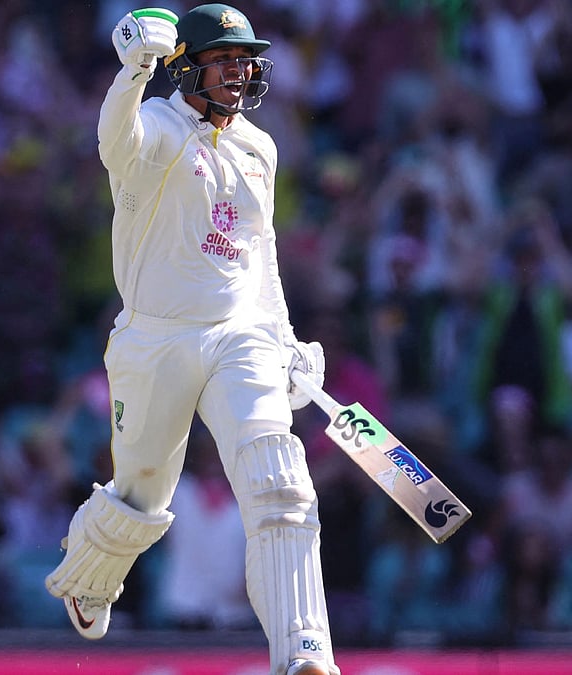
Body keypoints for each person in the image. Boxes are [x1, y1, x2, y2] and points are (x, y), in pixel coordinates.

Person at [43, 6, 336, 674]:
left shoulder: (260, 148)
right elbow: (114, 142)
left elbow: (259, 255)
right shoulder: (160, 130)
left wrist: (285, 339)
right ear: (186, 66)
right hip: (157, 340)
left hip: (241, 339)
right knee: (143, 493)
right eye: (224, 59)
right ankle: (90, 574)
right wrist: (132, 73)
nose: (240, 72)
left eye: (246, 59)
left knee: (279, 479)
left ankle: (304, 651)